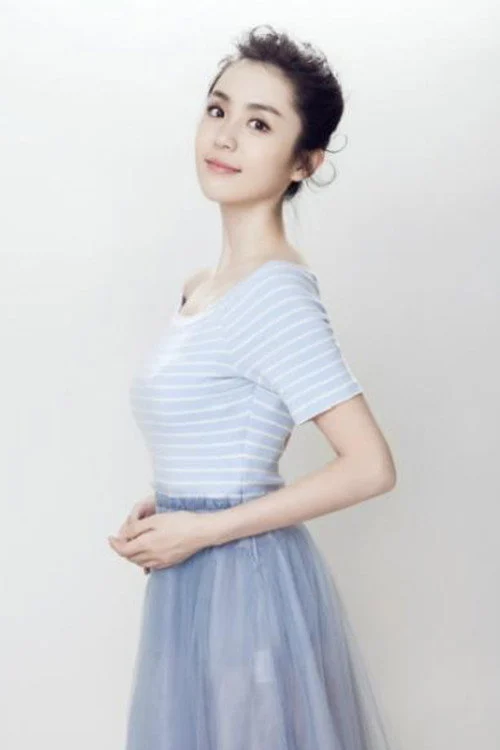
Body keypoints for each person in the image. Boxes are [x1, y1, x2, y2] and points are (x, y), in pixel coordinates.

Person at [108, 24, 398, 750]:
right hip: (197, 576)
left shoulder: (276, 295)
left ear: (305, 162)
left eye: (260, 123)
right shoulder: (202, 288)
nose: (226, 136)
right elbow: (221, 427)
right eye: (218, 109)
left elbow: (370, 466)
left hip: (242, 583)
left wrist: (201, 527)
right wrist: (175, 504)